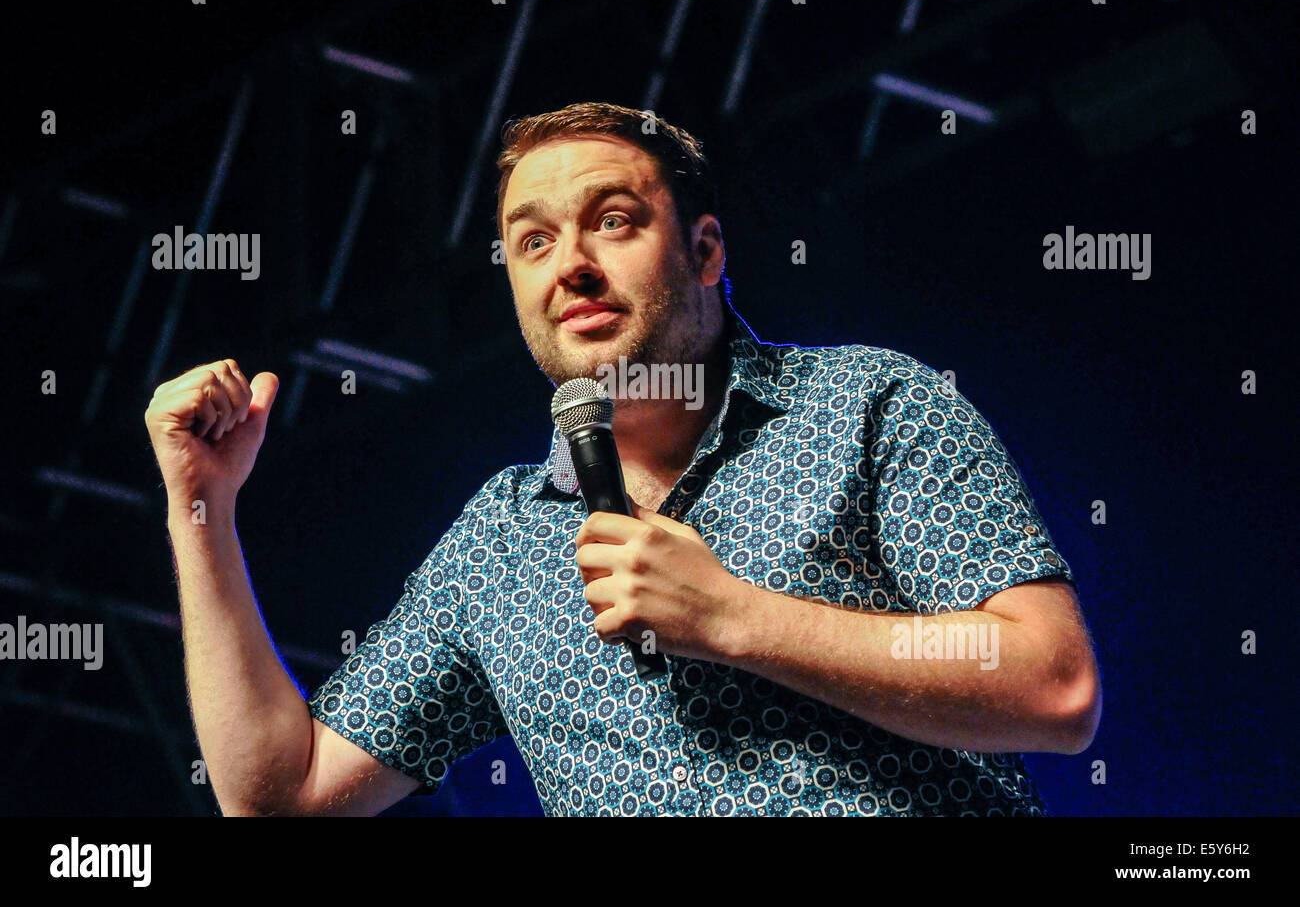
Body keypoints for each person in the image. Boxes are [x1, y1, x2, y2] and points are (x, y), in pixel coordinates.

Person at [144, 101, 1100, 816]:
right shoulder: (500, 543)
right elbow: (279, 793)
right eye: (532, 241)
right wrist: (204, 508)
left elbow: (1051, 682)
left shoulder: (869, 405)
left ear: (707, 248)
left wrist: (736, 616)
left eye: (613, 219)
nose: (571, 266)